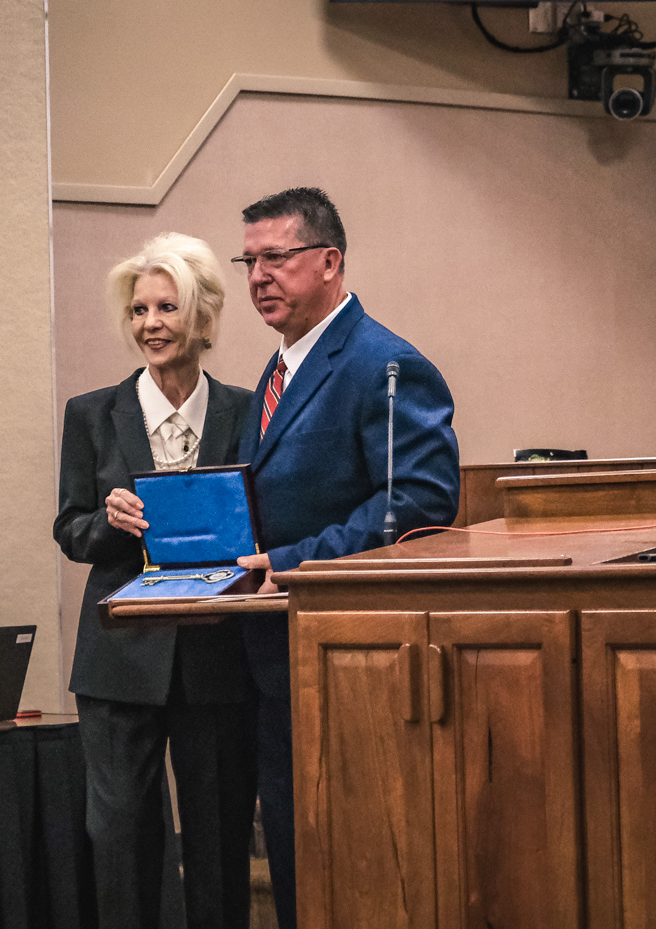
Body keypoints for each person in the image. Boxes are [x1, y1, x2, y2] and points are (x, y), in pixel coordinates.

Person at [230, 187, 460, 928]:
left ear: (329, 262)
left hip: (351, 658)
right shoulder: (277, 370)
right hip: (278, 656)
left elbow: (418, 502)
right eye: (249, 261)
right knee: (296, 859)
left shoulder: (385, 362)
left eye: (276, 257)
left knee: (353, 863)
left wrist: (293, 563)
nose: (258, 276)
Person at [55, 233, 257, 929]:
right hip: (118, 667)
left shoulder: (246, 411)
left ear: (202, 316)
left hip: (218, 662)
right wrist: (109, 521)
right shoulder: (91, 413)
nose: (150, 324)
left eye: (167, 307)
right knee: (120, 845)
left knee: (220, 844)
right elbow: (70, 530)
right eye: (139, 310)